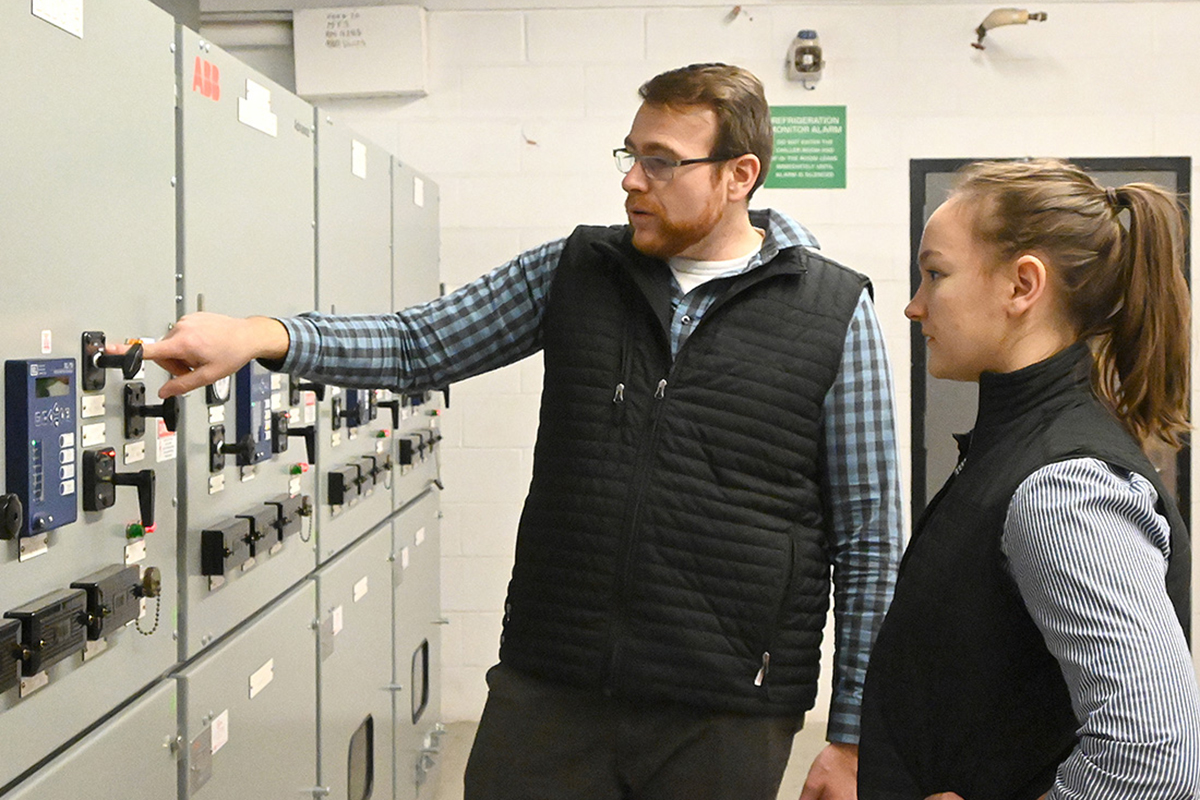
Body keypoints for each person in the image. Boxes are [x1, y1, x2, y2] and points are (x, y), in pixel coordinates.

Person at [131, 64, 903, 799]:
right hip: (552, 686)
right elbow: (418, 344)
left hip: (727, 709)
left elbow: (868, 534)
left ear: (739, 176)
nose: (633, 180)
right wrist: (261, 336)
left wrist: (855, 733)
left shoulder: (832, 311)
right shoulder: (579, 268)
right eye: (630, 156)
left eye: (662, 162)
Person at [858, 159, 1200, 799]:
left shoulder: (1064, 488)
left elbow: (1155, 755)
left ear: (1022, 285)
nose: (914, 304)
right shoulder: (1014, 450)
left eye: (936, 275)